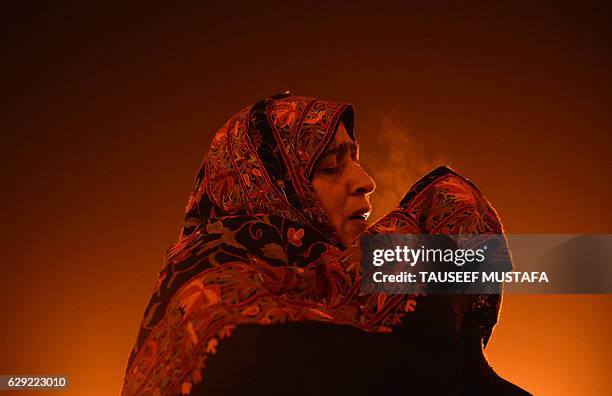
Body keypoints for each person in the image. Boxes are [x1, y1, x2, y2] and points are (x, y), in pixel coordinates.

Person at [122, 93, 529, 395]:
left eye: (355, 157)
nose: (366, 181)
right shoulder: (216, 307)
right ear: (271, 189)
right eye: (332, 165)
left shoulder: (338, 297)